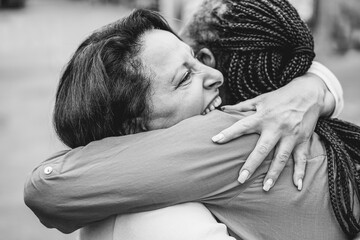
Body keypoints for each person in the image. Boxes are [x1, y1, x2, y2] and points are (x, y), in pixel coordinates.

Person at [24, 1, 360, 239]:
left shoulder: (229, 132)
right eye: (185, 77)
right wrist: (315, 86)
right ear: (134, 126)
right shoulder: (279, 121)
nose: (214, 73)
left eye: (196, 61)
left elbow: (47, 187)